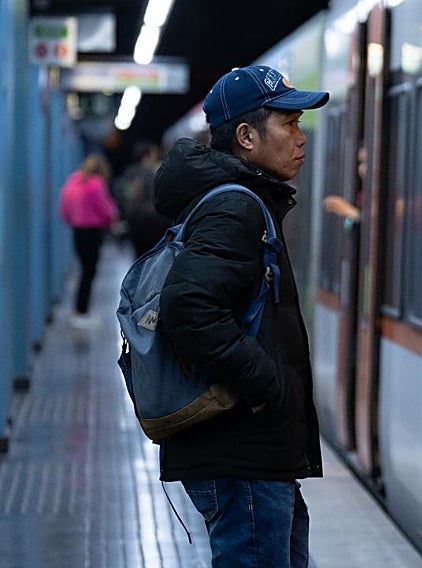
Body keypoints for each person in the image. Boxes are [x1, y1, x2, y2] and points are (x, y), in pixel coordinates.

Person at [154, 65, 329, 567]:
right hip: (241, 456)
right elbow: (188, 309)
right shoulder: (237, 208)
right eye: (289, 124)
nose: (301, 138)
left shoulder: (242, 201)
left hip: (252, 456)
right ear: (247, 136)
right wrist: (266, 385)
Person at [58, 153, 119, 325]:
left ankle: (79, 311)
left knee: (84, 271)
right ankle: (81, 313)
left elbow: (64, 209)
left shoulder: (72, 182)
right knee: (89, 273)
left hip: (77, 231)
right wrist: (113, 219)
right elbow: (106, 209)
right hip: (92, 232)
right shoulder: (96, 184)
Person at [116, 140, 173, 258]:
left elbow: (123, 195)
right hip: (153, 222)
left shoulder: (129, 173)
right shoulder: (152, 173)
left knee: (139, 257)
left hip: (134, 221)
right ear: (148, 154)